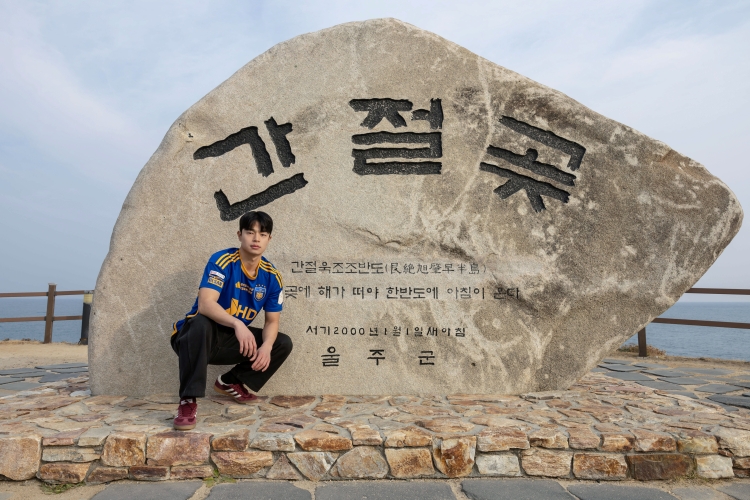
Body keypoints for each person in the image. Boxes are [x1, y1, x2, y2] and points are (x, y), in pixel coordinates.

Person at [170, 211, 292, 430]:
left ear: (269, 239)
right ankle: (188, 400)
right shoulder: (223, 261)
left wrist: (266, 347)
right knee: (200, 322)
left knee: (281, 343)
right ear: (239, 235)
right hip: (194, 337)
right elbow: (206, 304)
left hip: (228, 340)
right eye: (250, 232)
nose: (256, 239)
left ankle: (230, 381)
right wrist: (238, 324)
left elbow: (272, 322)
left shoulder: (272, 276)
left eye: (263, 234)